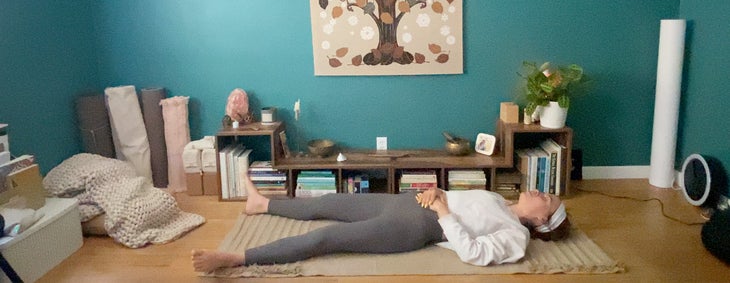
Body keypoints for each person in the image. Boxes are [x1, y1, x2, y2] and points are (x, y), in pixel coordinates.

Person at [191, 176, 570, 272]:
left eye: (546, 199)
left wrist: (441, 211)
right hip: (405, 202)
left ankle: (236, 258)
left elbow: (474, 253)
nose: (539, 192)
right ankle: (261, 204)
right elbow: (458, 200)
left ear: (542, 220)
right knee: (327, 202)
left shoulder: (517, 237)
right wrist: (438, 193)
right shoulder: (499, 202)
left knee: (326, 237)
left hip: (413, 228)